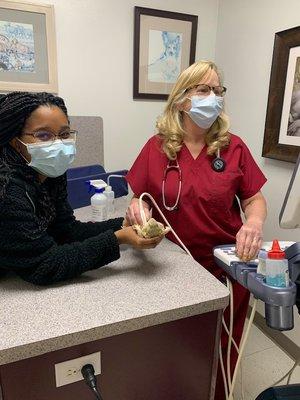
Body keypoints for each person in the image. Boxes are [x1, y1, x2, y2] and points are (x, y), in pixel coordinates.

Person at [125, 60, 267, 399]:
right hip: (173, 269)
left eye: (218, 91)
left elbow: (254, 199)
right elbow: (140, 197)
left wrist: (255, 222)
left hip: (226, 268)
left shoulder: (234, 147)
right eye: (203, 90)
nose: (213, 98)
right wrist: (138, 209)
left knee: (219, 349)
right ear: (181, 100)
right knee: (173, 347)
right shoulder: (156, 147)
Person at [0, 92, 163, 286]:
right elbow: (44, 265)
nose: (58, 144)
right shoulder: (7, 190)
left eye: (64, 134)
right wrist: (117, 239)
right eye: (43, 135)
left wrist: (124, 225)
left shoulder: (49, 176)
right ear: (15, 143)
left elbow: (66, 231)